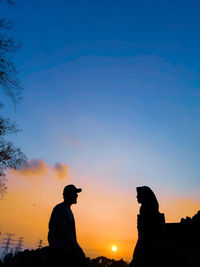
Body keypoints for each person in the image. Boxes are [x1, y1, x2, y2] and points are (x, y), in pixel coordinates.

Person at [48, 184, 87, 267]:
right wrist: (76, 247)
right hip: (61, 251)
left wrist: (77, 247)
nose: (77, 195)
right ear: (69, 195)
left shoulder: (68, 210)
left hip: (67, 249)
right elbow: (62, 231)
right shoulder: (60, 209)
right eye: (75, 193)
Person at [130, 186, 165, 267]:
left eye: (138, 194)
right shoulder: (145, 209)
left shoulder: (146, 211)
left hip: (147, 244)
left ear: (144, 196)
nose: (137, 197)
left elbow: (146, 235)